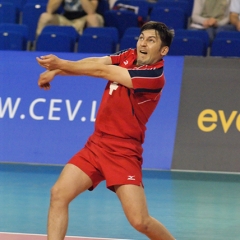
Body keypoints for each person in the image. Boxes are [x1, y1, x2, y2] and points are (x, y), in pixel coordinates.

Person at [36, 21, 176, 240]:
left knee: (140, 221)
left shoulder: (155, 77)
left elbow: (102, 71)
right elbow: (96, 62)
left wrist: (61, 63)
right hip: (97, 144)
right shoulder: (128, 56)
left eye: (151, 40)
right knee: (58, 194)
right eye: (141, 38)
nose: (143, 43)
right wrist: (58, 70)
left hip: (123, 152)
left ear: (163, 50)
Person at [36, 0, 104, 37]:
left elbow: (91, 11)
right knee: (45, 17)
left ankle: (93, 46)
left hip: (83, 19)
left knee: (93, 18)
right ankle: (38, 44)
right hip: (65, 19)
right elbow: (49, 10)